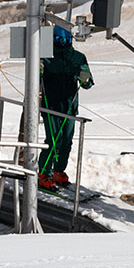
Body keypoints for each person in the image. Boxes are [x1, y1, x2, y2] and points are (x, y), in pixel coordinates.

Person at [37, 26, 93, 190]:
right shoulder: (45, 57)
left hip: (69, 106)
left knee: (66, 141)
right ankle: (43, 172)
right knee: (53, 140)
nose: (62, 43)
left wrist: (85, 78)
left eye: (66, 40)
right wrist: (39, 71)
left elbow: (88, 83)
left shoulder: (78, 58)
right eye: (59, 40)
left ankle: (58, 170)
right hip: (51, 104)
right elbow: (34, 78)